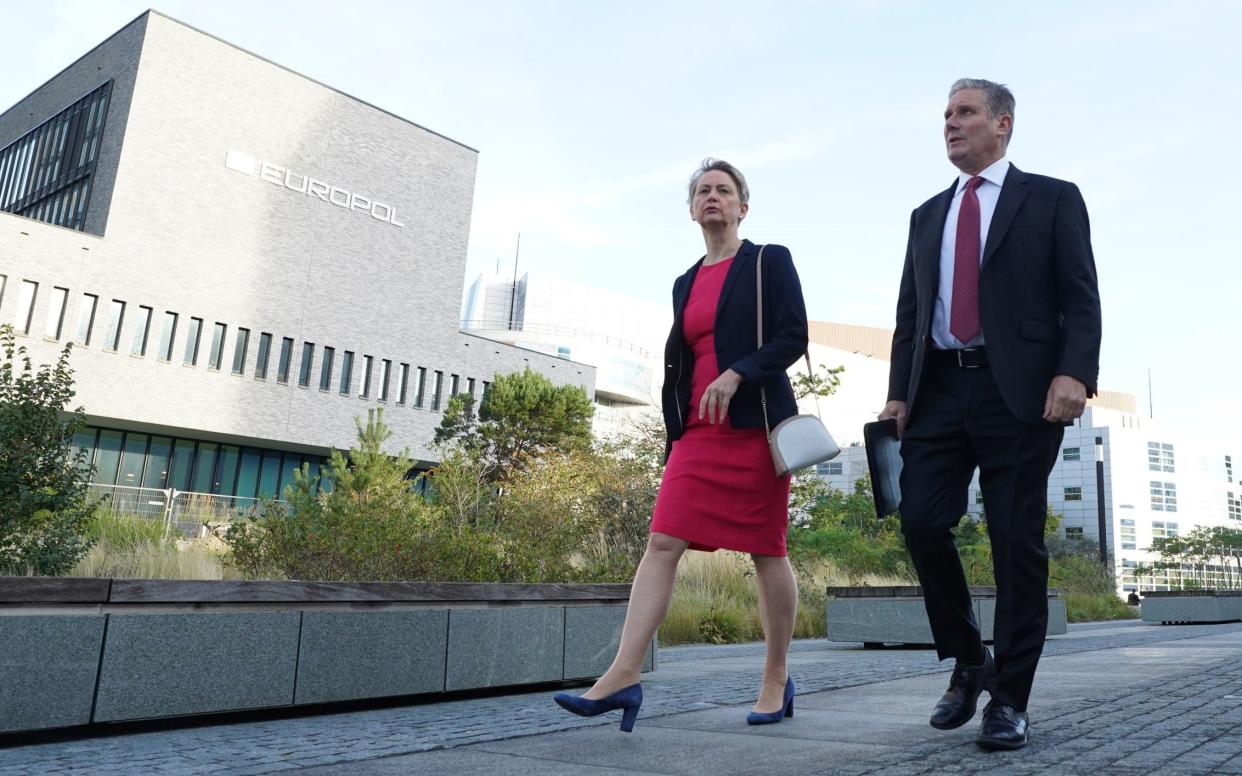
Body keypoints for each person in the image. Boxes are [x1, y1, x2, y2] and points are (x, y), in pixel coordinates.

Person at [878, 79, 1102, 751]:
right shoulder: (926, 215)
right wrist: (898, 393)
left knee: (1014, 542)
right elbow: (910, 315)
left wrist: (1074, 372)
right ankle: (970, 657)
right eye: (946, 114)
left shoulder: (1053, 198)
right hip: (939, 390)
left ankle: (1010, 697)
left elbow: (1081, 295)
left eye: (965, 112)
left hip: (1023, 393)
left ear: (1002, 124)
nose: (951, 124)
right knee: (919, 520)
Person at [553, 158, 809, 731]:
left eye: (723, 190)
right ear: (692, 209)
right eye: (702, 191)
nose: (712, 198)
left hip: (753, 429)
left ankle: (775, 676)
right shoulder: (685, 281)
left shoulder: (769, 261)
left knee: (767, 550)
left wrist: (739, 371)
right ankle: (623, 675)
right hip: (696, 433)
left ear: (744, 205)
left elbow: (794, 335)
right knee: (662, 541)